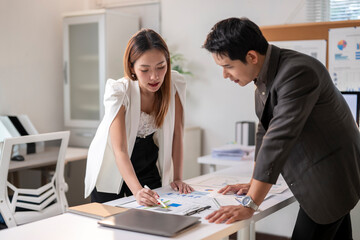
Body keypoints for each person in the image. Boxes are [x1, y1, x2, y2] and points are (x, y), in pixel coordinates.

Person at [203, 17, 360, 239]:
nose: (225, 75)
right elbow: (264, 130)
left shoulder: (297, 73)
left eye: (228, 66)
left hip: (329, 176)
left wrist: (250, 204)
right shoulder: (266, 74)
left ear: (251, 57)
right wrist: (253, 182)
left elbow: (278, 139)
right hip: (330, 172)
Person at [84, 29, 193, 206]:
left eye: (161, 67)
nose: (154, 76)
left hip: (147, 158)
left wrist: (178, 178)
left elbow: (177, 134)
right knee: (114, 226)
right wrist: (137, 191)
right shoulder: (120, 91)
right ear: (132, 67)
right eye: (145, 69)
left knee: (157, 216)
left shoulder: (174, 84)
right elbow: (119, 149)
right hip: (113, 164)